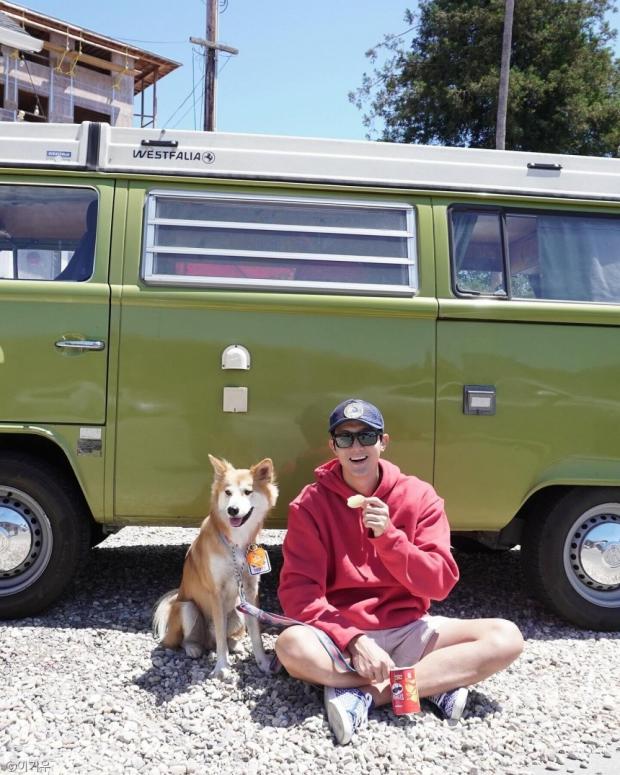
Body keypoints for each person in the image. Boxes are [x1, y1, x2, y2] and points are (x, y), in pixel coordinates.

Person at [275, 398, 524, 745]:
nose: (356, 447)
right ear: (333, 447)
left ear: (383, 442)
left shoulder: (419, 496)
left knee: (506, 637)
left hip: (410, 630)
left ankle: (367, 695)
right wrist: (355, 641)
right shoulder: (310, 504)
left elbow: (439, 583)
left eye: (367, 436)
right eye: (345, 438)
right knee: (290, 646)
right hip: (343, 638)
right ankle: (432, 682)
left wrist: (389, 538)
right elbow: (299, 594)